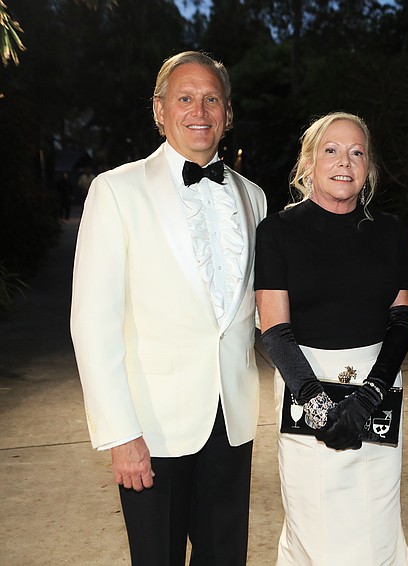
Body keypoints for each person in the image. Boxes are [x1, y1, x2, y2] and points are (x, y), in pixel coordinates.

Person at [70, 51, 267, 565]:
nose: (198, 110)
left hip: (233, 419)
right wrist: (120, 433)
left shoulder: (254, 198)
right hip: (152, 427)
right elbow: (92, 323)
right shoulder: (116, 190)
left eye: (211, 99)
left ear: (226, 112)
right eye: (184, 98)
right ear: (159, 111)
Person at [254, 112, 408, 566]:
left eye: (357, 152)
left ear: (369, 168)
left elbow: (402, 321)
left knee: (375, 528)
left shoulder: (390, 231)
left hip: (377, 389)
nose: (344, 162)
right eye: (331, 150)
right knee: (314, 529)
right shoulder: (277, 232)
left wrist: (368, 397)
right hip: (304, 388)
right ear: (308, 163)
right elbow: (275, 331)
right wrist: (319, 405)